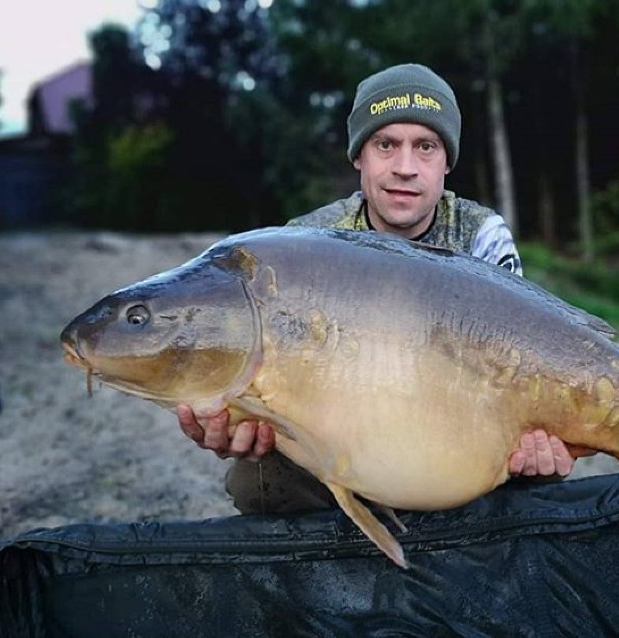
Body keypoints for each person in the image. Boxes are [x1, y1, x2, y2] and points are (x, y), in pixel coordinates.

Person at [177, 63, 577, 513]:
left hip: (458, 434)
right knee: (257, 481)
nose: (405, 168)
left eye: (425, 147)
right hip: (349, 437)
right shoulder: (304, 243)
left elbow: (520, 365)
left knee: (540, 481)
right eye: (385, 144)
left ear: (447, 162)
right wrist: (243, 423)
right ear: (358, 156)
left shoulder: (481, 234)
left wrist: (542, 441)